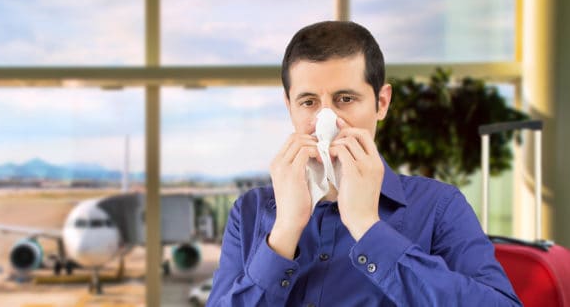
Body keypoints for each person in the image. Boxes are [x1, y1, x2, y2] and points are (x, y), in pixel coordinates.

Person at [206, 21, 521, 306]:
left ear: (381, 103)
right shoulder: (250, 211)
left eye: (345, 99)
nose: (325, 121)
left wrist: (367, 227)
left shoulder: (439, 206)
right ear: (289, 106)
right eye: (308, 102)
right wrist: (286, 229)